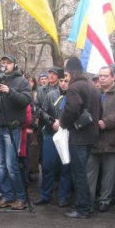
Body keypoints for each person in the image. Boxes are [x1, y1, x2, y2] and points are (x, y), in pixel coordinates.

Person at [0, 54, 33, 210]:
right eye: (2, 62)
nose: (5, 65)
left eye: (8, 62)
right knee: (0, 165)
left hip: (12, 128)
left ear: (14, 65)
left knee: (11, 165)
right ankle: (7, 195)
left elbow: (26, 101)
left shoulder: (21, 81)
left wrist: (9, 91)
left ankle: (21, 197)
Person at [60, 57, 101, 218]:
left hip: (78, 136)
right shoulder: (93, 87)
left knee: (79, 173)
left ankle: (83, 207)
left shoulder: (74, 87)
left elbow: (72, 109)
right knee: (83, 171)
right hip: (91, 135)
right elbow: (100, 110)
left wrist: (63, 122)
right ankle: (87, 205)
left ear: (68, 73)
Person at [87, 66, 115, 212]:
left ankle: (105, 200)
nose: (102, 78)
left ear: (113, 77)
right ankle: (88, 199)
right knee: (90, 171)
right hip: (94, 138)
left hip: (112, 139)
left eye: (105, 75)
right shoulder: (93, 92)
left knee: (109, 173)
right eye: (100, 76)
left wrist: (105, 122)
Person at [35, 74, 73, 206]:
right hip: (51, 133)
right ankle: (46, 195)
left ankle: (63, 196)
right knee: (47, 165)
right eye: (61, 81)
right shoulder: (51, 95)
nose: (63, 83)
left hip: (68, 135)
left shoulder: (74, 96)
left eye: (66, 81)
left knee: (66, 166)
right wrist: (52, 122)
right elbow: (42, 111)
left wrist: (63, 122)